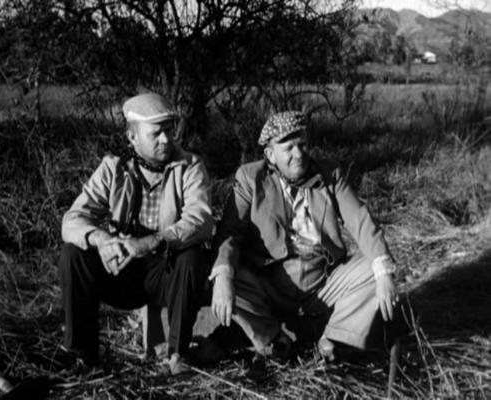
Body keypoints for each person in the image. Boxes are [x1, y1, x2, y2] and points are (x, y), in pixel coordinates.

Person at [210, 111, 401, 362]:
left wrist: (384, 273)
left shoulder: (328, 173)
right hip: (270, 283)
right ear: (270, 155)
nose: (298, 154)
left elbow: (360, 220)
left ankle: (332, 341)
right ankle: (274, 341)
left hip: (323, 281)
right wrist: (223, 275)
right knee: (226, 278)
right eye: (288, 148)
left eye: (302, 145)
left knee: (373, 267)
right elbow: (229, 234)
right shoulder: (250, 178)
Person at [59, 93, 214, 374]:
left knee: (191, 256)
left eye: (169, 131)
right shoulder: (113, 169)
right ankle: (83, 356)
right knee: (74, 254)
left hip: (165, 274)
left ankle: (177, 354)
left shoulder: (189, 167)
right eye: (156, 133)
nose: (166, 140)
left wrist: (153, 240)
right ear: (133, 138)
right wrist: (102, 239)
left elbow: (200, 220)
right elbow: (72, 220)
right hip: (123, 271)